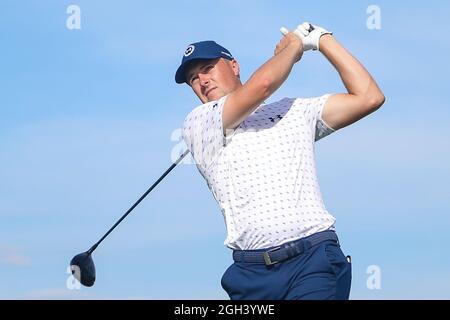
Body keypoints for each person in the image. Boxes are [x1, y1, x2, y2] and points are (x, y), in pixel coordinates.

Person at [175, 22, 385, 300]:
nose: (201, 81)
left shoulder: (294, 110)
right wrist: (294, 47)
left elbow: (369, 97)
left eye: (207, 69)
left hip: (313, 260)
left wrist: (322, 40)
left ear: (234, 66)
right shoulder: (198, 123)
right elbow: (262, 85)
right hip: (250, 275)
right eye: (192, 78)